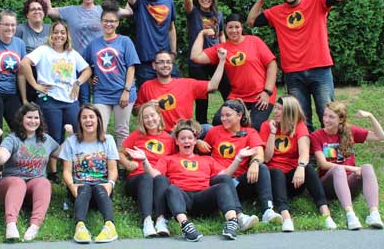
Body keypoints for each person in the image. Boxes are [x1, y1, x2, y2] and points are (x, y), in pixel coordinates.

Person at [126, 119, 257, 241]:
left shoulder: (207, 159)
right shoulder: (168, 159)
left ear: (195, 141)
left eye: (190, 138)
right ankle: (185, 225)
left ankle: (232, 222)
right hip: (182, 199)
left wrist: (238, 158)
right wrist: (144, 161)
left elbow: (226, 173)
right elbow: (155, 175)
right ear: (177, 142)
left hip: (203, 197)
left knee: (223, 186)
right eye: (182, 138)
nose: (186, 141)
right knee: (172, 189)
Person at [247, 0, 348, 131]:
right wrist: (261, 0)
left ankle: (332, 152)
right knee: (301, 118)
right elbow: (251, 21)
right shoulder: (275, 12)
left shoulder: (316, 0)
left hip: (319, 68)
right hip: (293, 73)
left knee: (328, 115)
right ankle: (307, 153)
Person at [20, 21, 92, 183]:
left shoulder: (72, 53)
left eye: (62, 33)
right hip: (50, 100)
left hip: (70, 100)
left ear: (67, 36)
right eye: (56, 32)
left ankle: (76, 166)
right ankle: (52, 171)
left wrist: (78, 82)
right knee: (54, 136)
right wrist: (35, 84)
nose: (59, 35)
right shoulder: (43, 51)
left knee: (77, 132)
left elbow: (87, 70)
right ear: (51, 35)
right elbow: (24, 63)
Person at [43, 0, 132, 104]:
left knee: (101, 100)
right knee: (83, 99)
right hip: (79, 63)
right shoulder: (71, 11)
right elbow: (48, 10)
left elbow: (129, 11)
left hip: (101, 61)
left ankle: (100, 121)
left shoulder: (104, 10)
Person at [259, 95, 336, 232]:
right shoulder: (267, 125)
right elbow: (266, 158)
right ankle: (286, 217)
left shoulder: (299, 126)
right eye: (275, 108)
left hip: (294, 179)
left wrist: (301, 167)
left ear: (289, 112)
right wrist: (272, 132)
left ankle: (326, 214)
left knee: (309, 170)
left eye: (279, 109)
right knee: (276, 171)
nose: (275, 112)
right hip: (273, 181)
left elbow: (304, 152)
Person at [191, 13, 278, 130]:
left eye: (237, 27)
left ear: (242, 27)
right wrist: (202, 34)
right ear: (225, 28)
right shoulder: (222, 49)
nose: (234, 30)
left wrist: (267, 92)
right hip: (238, 97)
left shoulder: (254, 41)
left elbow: (272, 65)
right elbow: (195, 56)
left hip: (260, 94)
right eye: (230, 27)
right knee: (218, 121)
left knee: (254, 127)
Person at [0, 103, 60, 241]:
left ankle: (35, 225)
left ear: (40, 120)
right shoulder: (13, 139)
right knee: (18, 182)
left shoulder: (45, 139)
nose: (33, 121)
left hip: (33, 190)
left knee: (44, 182)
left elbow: (63, 154)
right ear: (21, 119)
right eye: (29, 117)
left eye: (36, 118)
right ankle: (11, 225)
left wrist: (71, 137)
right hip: (11, 188)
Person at [205, 99, 283, 225]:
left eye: (228, 115)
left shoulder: (249, 132)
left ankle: (268, 211)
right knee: (225, 178)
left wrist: (255, 163)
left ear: (239, 115)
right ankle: (239, 216)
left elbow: (259, 152)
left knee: (262, 168)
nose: (223, 118)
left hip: (239, 181)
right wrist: (199, 142)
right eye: (222, 115)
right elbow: (198, 152)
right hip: (219, 181)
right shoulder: (214, 131)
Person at [310, 101, 384, 230]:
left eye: (331, 117)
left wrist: (370, 116)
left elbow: (381, 136)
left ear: (341, 120)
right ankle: (350, 215)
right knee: (338, 169)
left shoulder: (350, 131)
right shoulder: (316, 136)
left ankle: (374, 214)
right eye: (325, 115)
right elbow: (323, 164)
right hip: (328, 184)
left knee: (367, 167)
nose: (326, 120)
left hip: (349, 183)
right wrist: (351, 168)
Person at [59, 105, 120, 243]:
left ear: (98, 120)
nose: (88, 120)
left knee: (100, 187)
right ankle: (80, 227)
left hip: (103, 189)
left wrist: (110, 184)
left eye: (91, 117)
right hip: (79, 189)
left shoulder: (108, 140)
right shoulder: (71, 142)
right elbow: (67, 171)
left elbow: (112, 169)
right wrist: (71, 186)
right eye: (84, 117)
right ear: (79, 121)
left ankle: (110, 226)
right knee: (84, 188)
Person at [84, 0, 140, 148]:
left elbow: (131, 67)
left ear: (117, 23)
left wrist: (126, 91)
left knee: (122, 130)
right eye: (106, 21)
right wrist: (90, 78)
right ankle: (100, 162)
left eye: (113, 21)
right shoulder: (94, 44)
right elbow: (84, 65)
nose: (109, 24)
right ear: (101, 22)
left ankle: (121, 166)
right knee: (98, 127)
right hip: (101, 93)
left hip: (123, 92)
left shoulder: (125, 41)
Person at [178, 0, 230, 124]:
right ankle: (202, 128)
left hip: (214, 59)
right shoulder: (193, 12)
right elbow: (187, 2)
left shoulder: (218, 15)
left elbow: (221, 35)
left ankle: (232, 120)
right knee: (202, 98)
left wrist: (225, 52)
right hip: (197, 61)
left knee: (227, 91)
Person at [134, 49, 226, 132]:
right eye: (161, 62)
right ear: (154, 65)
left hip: (185, 131)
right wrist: (146, 106)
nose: (165, 65)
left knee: (209, 129)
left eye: (168, 62)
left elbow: (213, 85)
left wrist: (222, 61)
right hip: (162, 134)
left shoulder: (187, 84)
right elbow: (135, 111)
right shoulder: (146, 86)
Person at [119, 102, 175, 237]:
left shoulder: (169, 139)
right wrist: (127, 164)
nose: (150, 120)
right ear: (141, 120)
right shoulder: (136, 135)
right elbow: (119, 153)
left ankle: (161, 220)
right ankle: (147, 220)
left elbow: (174, 161)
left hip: (158, 178)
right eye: (145, 117)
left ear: (159, 116)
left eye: (152, 115)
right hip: (138, 179)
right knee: (146, 177)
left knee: (160, 178)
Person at [124, 0, 178, 87]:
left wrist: (174, 52)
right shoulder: (139, 2)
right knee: (147, 101)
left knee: (174, 94)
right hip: (145, 62)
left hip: (166, 60)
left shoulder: (169, 1)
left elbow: (171, 28)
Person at [15, 0, 51, 103]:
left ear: (44, 13)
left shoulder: (50, 29)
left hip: (46, 73)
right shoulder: (20, 29)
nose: (37, 11)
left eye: (40, 9)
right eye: (33, 9)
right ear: (27, 14)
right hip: (26, 73)